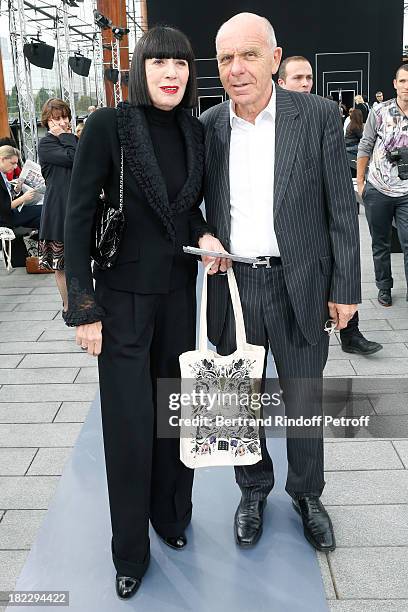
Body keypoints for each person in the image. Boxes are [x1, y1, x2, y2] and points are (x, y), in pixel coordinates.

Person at [198, 13, 361, 554]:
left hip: (303, 283)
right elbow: (191, 204)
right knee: (238, 396)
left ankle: (308, 493)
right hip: (235, 286)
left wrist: (346, 288)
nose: (236, 69)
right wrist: (202, 235)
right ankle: (252, 488)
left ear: (275, 56)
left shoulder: (315, 115)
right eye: (225, 59)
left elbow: (341, 209)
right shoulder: (210, 125)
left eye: (248, 55)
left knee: (304, 394)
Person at [63, 26, 211, 599]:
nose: (171, 73)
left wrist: (208, 237)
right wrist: (84, 309)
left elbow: (187, 211)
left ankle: (171, 519)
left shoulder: (195, 132)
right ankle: (129, 552)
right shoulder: (109, 126)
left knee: (174, 415)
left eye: (180, 63)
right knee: (128, 427)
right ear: (141, 69)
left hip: (179, 292)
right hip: (120, 301)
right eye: (160, 63)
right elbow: (78, 217)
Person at [278, 60, 382, 356]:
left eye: (309, 77)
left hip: (326, 217)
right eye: (298, 77)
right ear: (281, 82)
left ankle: (350, 332)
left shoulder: (324, 113)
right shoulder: (276, 121)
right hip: (295, 226)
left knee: (340, 274)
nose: (305, 82)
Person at [357, 64, 408, 307]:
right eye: (403, 81)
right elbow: (365, 146)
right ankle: (384, 287)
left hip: (406, 192)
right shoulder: (379, 111)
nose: (407, 87)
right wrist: (361, 184)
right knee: (380, 243)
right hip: (378, 188)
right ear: (395, 83)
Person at [38, 98, 77, 311]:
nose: (62, 122)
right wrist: (64, 136)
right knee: (60, 265)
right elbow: (74, 158)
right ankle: (68, 306)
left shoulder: (73, 139)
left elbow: (80, 157)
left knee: (80, 263)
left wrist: (67, 136)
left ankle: (85, 306)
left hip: (79, 208)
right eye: (56, 119)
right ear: (48, 122)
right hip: (58, 210)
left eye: (64, 117)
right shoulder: (46, 144)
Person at [0, 145, 40, 229]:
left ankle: (39, 237)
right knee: (44, 210)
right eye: (13, 163)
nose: (15, 167)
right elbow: (4, 207)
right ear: (2, 159)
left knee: (40, 217)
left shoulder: (3, 174)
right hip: (5, 218)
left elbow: (5, 197)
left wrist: (16, 190)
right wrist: (23, 198)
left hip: (8, 214)